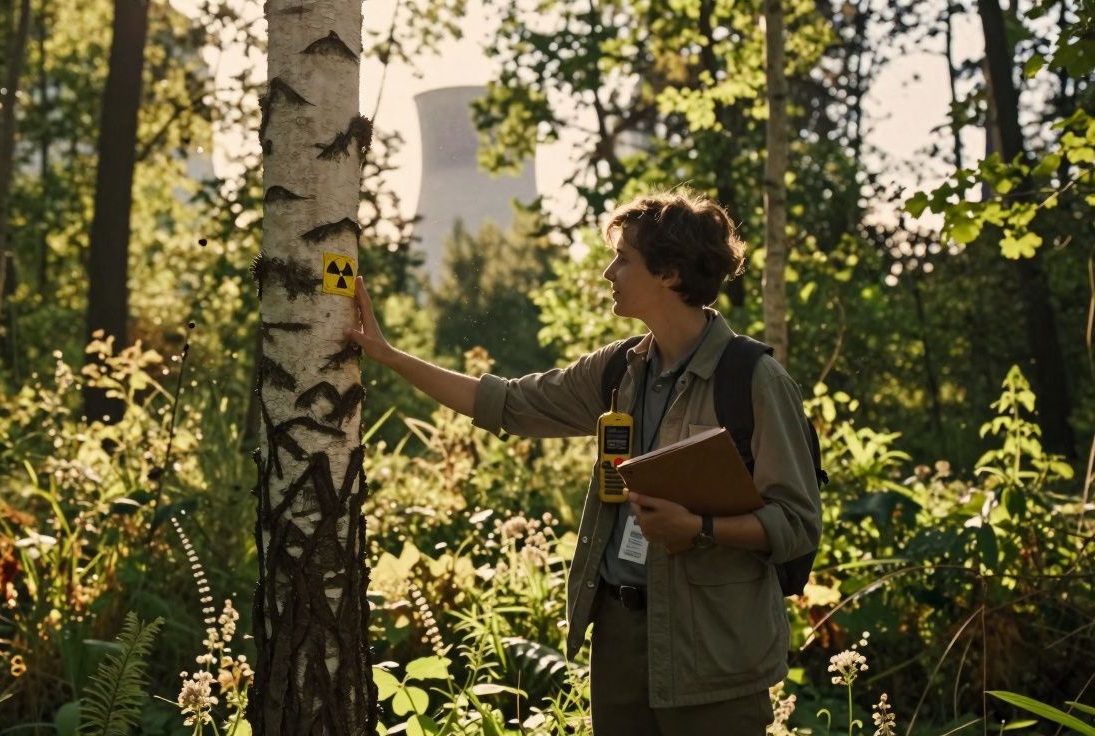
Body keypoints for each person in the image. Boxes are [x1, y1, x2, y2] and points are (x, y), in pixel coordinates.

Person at [344, 192, 821, 735]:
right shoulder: (618, 368)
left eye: (623, 258)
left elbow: (798, 524)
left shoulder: (754, 381)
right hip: (618, 643)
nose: (607, 271)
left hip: (714, 654)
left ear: (667, 273)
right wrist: (386, 354)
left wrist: (698, 528)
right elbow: (507, 402)